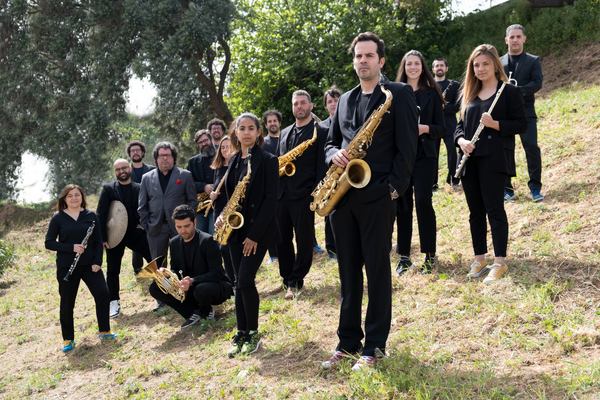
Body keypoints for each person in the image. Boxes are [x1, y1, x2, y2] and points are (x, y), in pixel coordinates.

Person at [322, 32, 418, 370]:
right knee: (348, 274)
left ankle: (374, 347)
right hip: (342, 198)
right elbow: (330, 142)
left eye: (369, 56)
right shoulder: (344, 100)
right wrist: (333, 154)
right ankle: (347, 343)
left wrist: (392, 189)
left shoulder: (399, 94)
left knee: (377, 272)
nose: (363, 61)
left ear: (381, 61)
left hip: (378, 195)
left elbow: (408, 147)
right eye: (358, 56)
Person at [454, 44, 527, 284]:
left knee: (494, 209)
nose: (481, 69)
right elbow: (458, 127)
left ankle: (499, 262)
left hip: (494, 159)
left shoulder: (509, 91)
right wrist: (461, 141)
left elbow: (521, 124)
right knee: (475, 211)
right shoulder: (469, 94)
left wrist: (495, 124)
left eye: (485, 64)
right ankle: (480, 259)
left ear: (495, 64)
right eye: (476, 65)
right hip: (470, 160)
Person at [215, 113, 280, 358]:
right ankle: (240, 332)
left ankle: (253, 332)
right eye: (242, 128)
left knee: (245, 280)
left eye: (251, 128)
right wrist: (223, 215)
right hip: (235, 230)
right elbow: (231, 195)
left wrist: (253, 235)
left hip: (257, 231)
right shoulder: (233, 160)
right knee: (237, 282)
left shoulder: (269, 160)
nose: (246, 133)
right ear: (236, 132)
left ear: (259, 132)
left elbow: (271, 201)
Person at [45, 184, 117, 352]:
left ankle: (105, 331)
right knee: (67, 302)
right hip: (67, 266)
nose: (74, 198)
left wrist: (97, 262)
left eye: (77, 195)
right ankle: (68, 339)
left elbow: (98, 242)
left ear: (82, 197)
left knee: (103, 293)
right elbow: (49, 242)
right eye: (70, 196)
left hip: (90, 265)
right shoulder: (58, 218)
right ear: (64, 199)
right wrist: (71, 247)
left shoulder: (91, 216)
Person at [394, 50, 446, 275]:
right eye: (409, 64)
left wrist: (423, 128)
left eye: (416, 63)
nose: (413, 67)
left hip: (425, 156)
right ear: (404, 67)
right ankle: (404, 257)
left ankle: (430, 255)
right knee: (403, 206)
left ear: (423, 67)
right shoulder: (395, 92)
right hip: (401, 158)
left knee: (424, 202)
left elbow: (442, 128)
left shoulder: (432, 93)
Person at [276, 90, 328, 300]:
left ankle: (296, 280)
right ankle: (287, 277)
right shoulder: (284, 132)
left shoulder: (321, 131)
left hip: (304, 194)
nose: (299, 106)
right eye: (296, 103)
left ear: (311, 106)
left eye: (303, 103)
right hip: (282, 194)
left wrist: (315, 193)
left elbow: (321, 166)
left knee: (305, 240)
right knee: (282, 240)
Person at [149, 205, 232, 328]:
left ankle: (206, 311)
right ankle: (192, 312)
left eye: (187, 226)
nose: (183, 230)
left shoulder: (208, 241)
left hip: (213, 288)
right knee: (155, 288)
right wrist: (167, 274)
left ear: (194, 222)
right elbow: (176, 269)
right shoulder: (174, 243)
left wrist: (193, 281)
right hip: (190, 289)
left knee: (201, 288)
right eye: (179, 227)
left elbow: (217, 273)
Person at [138, 141, 198, 310]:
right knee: (158, 266)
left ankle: (187, 295)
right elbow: (142, 206)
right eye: (161, 155)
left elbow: (192, 201)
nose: (165, 158)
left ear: (173, 158)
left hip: (181, 228)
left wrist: (188, 224)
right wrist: (147, 225)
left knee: (184, 261)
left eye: (168, 155)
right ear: (156, 158)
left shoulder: (185, 175)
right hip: (155, 229)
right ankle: (162, 299)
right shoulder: (146, 178)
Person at [97, 159, 153, 318]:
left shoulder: (139, 187)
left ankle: (163, 295)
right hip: (113, 235)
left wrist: (143, 226)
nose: (121, 171)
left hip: (134, 232)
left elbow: (147, 208)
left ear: (129, 169)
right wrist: (103, 238)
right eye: (118, 169)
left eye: (123, 168)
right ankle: (113, 302)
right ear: (115, 172)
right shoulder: (108, 189)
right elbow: (101, 214)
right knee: (113, 270)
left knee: (154, 259)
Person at [500, 24, 544, 202]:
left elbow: (537, 83)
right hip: (504, 113)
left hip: (526, 111)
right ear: (506, 40)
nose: (515, 40)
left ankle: (535, 187)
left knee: (531, 147)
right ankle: (507, 190)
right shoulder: (498, 62)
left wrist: (516, 90)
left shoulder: (533, 60)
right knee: (504, 149)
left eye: (518, 36)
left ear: (524, 39)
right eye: (512, 37)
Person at [318, 86, 342, 260]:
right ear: (326, 105)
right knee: (329, 212)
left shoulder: (348, 121)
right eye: (330, 101)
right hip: (328, 174)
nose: (333, 104)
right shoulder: (320, 127)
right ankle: (332, 250)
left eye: (336, 100)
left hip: (346, 173)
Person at [126, 140, 156, 271]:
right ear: (129, 154)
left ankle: (154, 265)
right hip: (133, 211)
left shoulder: (153, 170)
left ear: (143, 153)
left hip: (151, 208)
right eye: (132, 151)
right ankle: (137, 267)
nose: (135, 152)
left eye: (138, 150)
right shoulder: (125, 171)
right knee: (136, 237)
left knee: (152, 238)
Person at [432, 58, 461, 189]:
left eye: (442, 65)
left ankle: (453, 181)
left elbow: (458, 106)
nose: (439, 68)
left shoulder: (454, 85)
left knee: (452, 152)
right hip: (433, 124)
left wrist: (443, 107)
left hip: (449, 124)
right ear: (433, 69)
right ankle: (433, 183)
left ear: (446, 68)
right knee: (433, 154)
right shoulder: (428, 85)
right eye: (437, 66)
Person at [209, 135, 234, 283]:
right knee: (223, 248)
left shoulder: (238, 165)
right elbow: (216, 188)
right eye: (222, 147)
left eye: (228, 147)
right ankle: (231, 281)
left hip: (233, 211)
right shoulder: (218, 168)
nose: (225, 150)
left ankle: (236, 280)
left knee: (229, 248)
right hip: (219, 212)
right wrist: (212, 195)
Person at [261, 109, 282, 264]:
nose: (272, 123)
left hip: (288, 184)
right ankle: (273, 255)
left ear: (279, 123)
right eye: (269, 121)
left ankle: (312, 245)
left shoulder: (288, 137)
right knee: (271, 220)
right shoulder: (262, 143)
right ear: (266, 125)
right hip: (271, 185)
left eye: (275, 120)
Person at [187, 130, 217, 234]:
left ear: (211, 139)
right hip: (200, 207)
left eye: (205, 140)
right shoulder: (192, 161)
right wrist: (204, 186)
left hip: (218, 204)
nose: (204, 144)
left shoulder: (222, 156)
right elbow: (189, 183)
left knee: (214, 234)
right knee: (200, 235)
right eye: (200, 142)